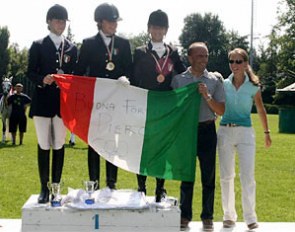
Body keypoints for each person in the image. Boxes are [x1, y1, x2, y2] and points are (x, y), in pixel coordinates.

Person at [75, 2, 132, 190]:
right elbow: (80, 72)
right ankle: (94, 183)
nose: (114, 25)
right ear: (100, 22)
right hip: (96, 102)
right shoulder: (89, 44)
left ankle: (111, 183)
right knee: (94, 143)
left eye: (116, 22)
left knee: (112, 143)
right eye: (110, 22)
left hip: (116, 101)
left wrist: (126, 78)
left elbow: (129, 70)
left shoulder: (123, 44)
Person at [130, 9, 186, 202]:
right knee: (144, 148)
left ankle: (160, 188)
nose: (157, 30)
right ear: (148, 29)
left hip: (165, 109)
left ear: (166, 30)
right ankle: (141, 186)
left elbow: (183, 75)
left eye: (161, 27)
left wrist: (204, 77)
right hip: (144, 106)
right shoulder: (139, 52)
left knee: (162, 148)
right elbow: (133, 78)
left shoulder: (174, 53)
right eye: (154, 26)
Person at [171, 42, 225, 231]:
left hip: (207, 130)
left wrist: (207, 95)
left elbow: (221, 109)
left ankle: (207, 216)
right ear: (190, 57)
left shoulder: (214, 80)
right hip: (186, 132)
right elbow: (174, 108)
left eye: (206, 56)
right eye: (200, 56)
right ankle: (184, 215)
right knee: (187, 175)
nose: (204, 60)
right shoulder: (178, 80)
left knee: (208, 176)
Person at [27, 4, 78, 203]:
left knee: (58, 144)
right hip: (42, 103)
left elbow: (76, 75)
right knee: (43, 143)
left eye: (63, 21)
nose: (61, 24)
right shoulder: (38, 44)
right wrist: (42, 79)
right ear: (49, 21)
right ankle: (43, 188)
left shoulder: (72, 48)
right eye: (57, 20)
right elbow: (30, 71)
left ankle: (56, 187)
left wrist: (69, 78)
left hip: (62, 104)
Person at [217, 48, 272, 230]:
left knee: (247, 177)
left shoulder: (253, 86)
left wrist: (267, 133)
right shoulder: (223, 84)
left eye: (238, 61)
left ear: (246, 63)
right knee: (226, 176)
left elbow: (261, 109)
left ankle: (250, 218)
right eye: (231, 61)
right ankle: (229, 215)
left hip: (246, 133)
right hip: (225, 132)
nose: (234, 65)